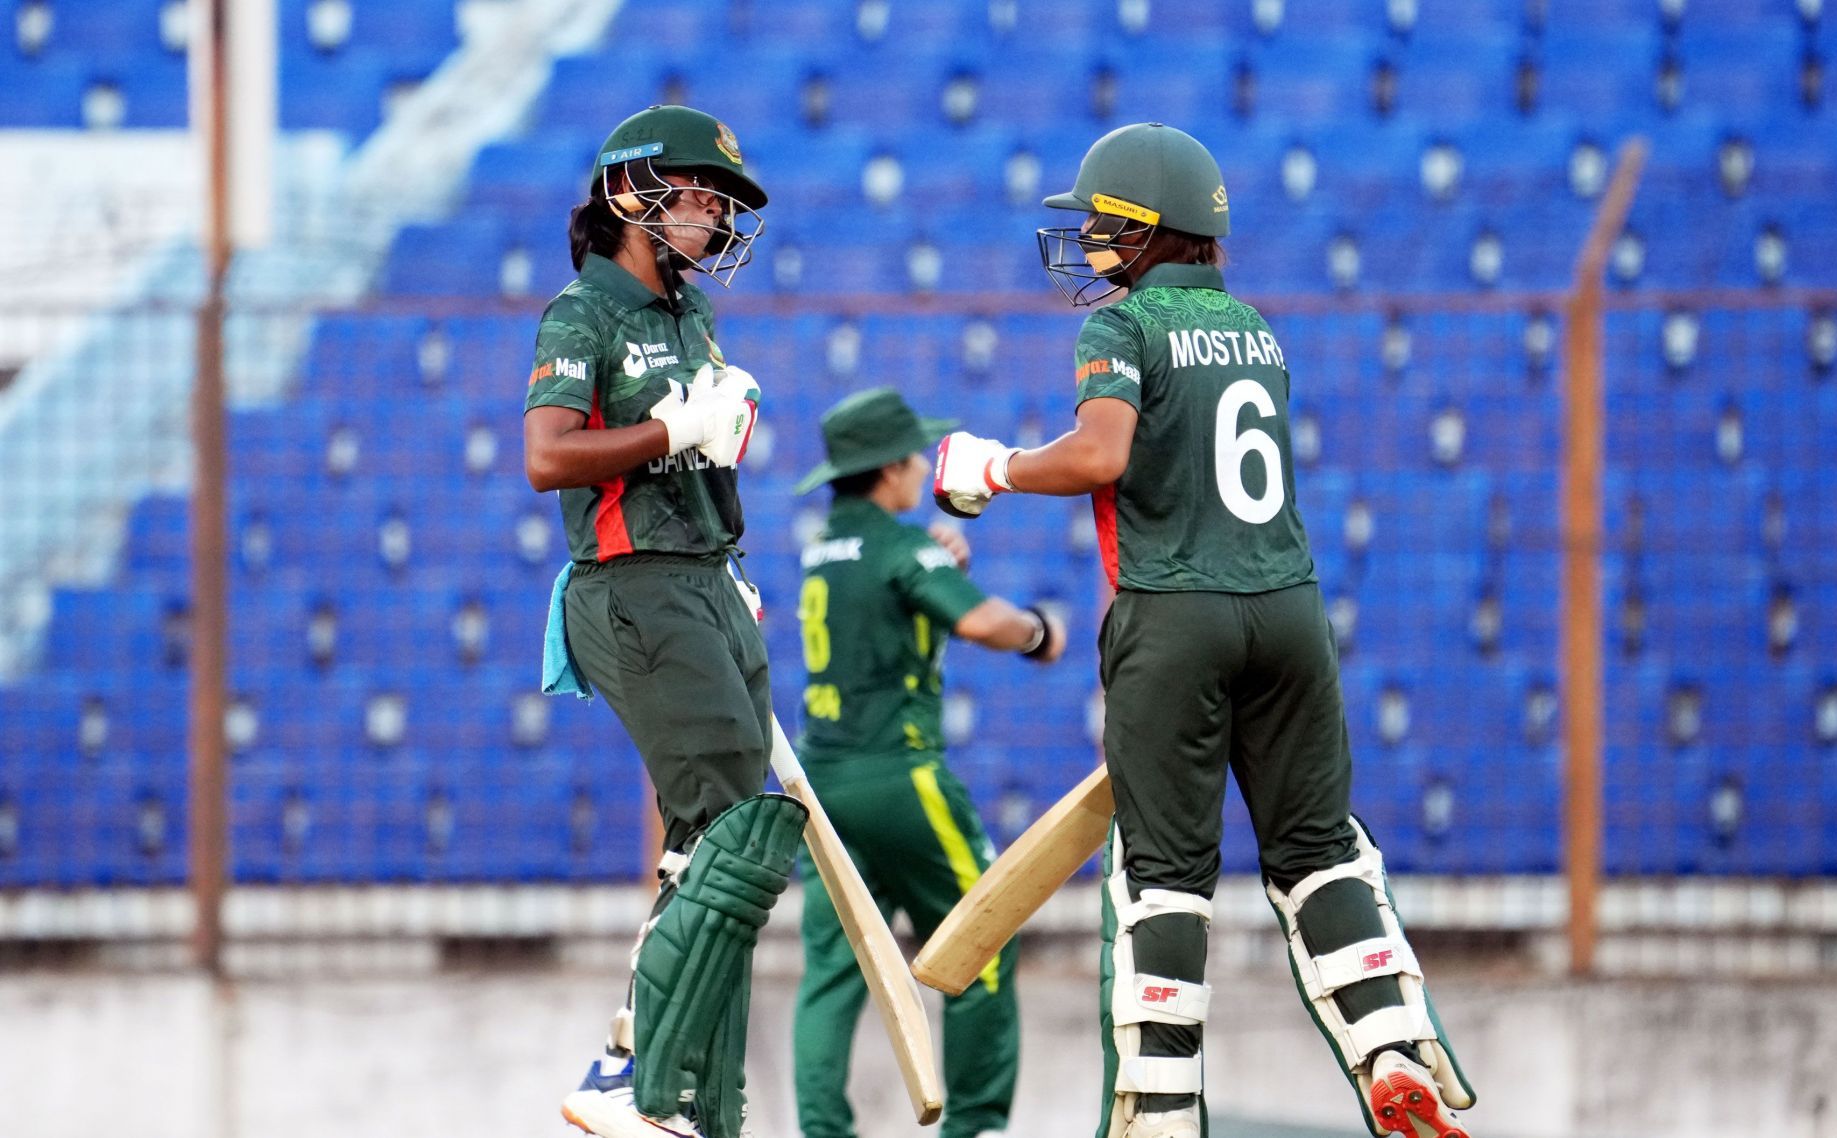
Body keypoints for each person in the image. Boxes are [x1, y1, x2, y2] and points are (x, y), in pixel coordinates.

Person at [930, 123, 1479, 1138]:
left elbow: (1102, 455)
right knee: (1316, 851)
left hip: (1173, 619)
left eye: (1103, 222)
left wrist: (994, 467)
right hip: (1289, 612)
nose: (1089, 238)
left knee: (1163, 878)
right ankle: (1390, 1047)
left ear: (1149, 229)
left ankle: (1161, 1113)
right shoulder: (1257, 328)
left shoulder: (1123, 328)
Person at [523, 104, 797, 1138]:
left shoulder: (691, 316)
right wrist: (667, 427)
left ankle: (687, 1097)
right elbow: (549, 457)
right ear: (636, 194)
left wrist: (716, 447)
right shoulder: (579, 313)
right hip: (630, 584)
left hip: (703, 578)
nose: (716, 217)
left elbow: (690, 457)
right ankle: (631, 1065)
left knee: (714, 839)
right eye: (700, 195)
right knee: (737, 813)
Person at [788, 388, 1066, 1138]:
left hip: (824, 789)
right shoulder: (899, 546)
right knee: (982, 943)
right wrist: (1039, 631)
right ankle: (973, 1125)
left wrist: (930, 563)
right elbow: (981, 621)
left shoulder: (823, 547)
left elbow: (886, 600)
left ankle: (823, 1131)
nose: (920, 466)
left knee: (834, 975)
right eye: (913, 455)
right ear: (887, 470)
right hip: (901, 778)